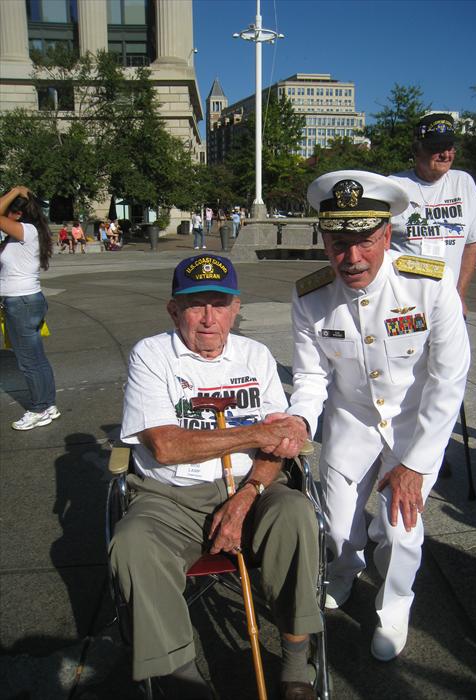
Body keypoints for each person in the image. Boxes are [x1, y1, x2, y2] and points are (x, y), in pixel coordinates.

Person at [109, 254, 319, 700]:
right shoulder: (152, 354)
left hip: (251, 489)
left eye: (219, 304)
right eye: (195, 305)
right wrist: (259, 432)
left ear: (236, 308)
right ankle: (182, 678)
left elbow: (279, 447)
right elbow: (166, 446)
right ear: (173, 310)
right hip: (170, 498)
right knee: (132, 542)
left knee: (297, 512)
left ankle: (298, 663)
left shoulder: (255, 356)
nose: (208, 319)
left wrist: (246, 496)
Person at [285, 171, 470, 662]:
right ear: (323, 238)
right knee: (338, 527)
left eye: (364, 241)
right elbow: (310, 380)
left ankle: (395, 605)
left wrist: (415, 463)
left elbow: (448, 380)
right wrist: (299, 423)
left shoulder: (429, 283)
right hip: (352, 422)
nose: (351, 257)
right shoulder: (310, 297)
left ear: (386, 235)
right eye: (338, 242)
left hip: (413, 426)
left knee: (399, 527)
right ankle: (345, 571)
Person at [389, 113, 476, 315]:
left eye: (449, 147)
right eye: (436, 148)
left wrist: (459, 295)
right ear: (416, 149)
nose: (445, 155)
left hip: (448, 301)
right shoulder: (394, 186)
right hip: (402, 302)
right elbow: (378, 242)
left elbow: (472, 244)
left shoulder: (463, 183)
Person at [0, 186, 60, 430]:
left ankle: (39, 409)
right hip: (22, 301)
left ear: (18, 214)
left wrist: (15, 191)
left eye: (9, 213)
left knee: (28, 361)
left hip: (22, 303)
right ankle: (48, 404)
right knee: (35, 358)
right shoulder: (19, 236)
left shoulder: (28, 231)